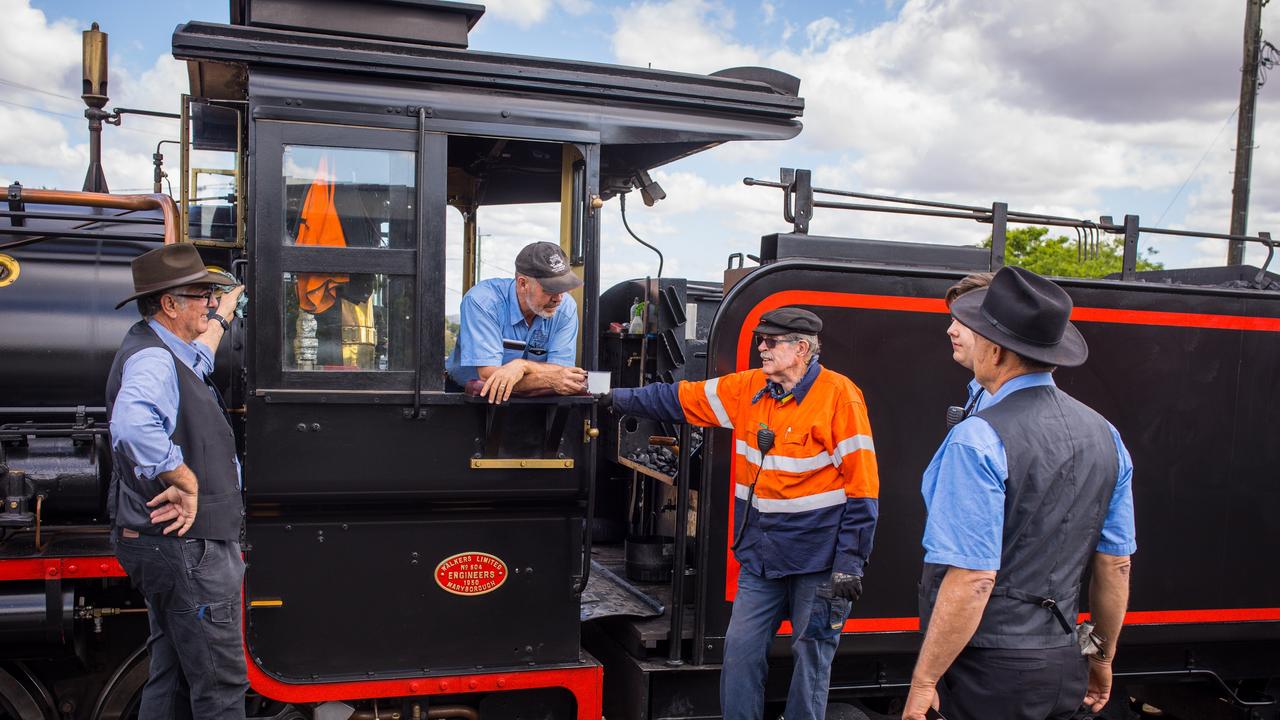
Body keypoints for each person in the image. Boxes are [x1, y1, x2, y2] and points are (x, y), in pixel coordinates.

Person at [601, 307, 879, 720]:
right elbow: (676, 398)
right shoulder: (748, 389)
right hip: (761, 560)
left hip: (818, 562)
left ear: (801, 349)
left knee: (812, 660)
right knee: (740, 654)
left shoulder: (840, 397)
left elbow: (864, 489)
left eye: (771, 342)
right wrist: (609, 397)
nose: (761, 348)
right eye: (760, 341)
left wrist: (850, 563)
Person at [903, 267, 1136, 720]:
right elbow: (1116, 564)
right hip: (1064, 660)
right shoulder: (1106, 433)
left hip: (988, 670)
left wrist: (924, 681)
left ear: (994, 350)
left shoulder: (978, 438)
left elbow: (974, 578)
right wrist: (1102, 658)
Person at [105, 243, 248, 720]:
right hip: (192, 546)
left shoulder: (164, 349)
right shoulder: (154, 360)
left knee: (172, 672)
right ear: (169, 303)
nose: (210, 301)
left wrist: (222, 317)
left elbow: (196, 362)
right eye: (202, 294)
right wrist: (184, 477)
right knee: (221, 685)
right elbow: (133, 424)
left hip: (163, 543)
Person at [447, 241, 587, 402]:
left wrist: (522, 366)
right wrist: (548, 378)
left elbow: (563, 372)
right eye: (550, 290)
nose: (558, 298)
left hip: (538, 403)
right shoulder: (483, 301)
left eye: (563, 288)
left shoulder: (566, 307)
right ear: (523, 284)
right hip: (469, 400)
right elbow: (488, 375)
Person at [944, 272, 993, 417]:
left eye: (963, 320)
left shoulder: (994, 399)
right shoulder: (983, 390)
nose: (951, 331)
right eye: (953, 321)